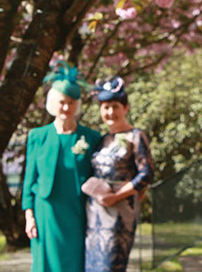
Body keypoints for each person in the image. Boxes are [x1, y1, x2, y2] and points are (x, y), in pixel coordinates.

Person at [22, 61, 102, 272]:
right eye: (62, 102)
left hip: (78, 211)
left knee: (75, 262)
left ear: (78, 105)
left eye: (71, 103)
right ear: (52, 103)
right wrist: (29, 216)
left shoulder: (91, 137)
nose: (66, 108)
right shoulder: (37, 136)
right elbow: (29, 179)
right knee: (45, 263)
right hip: (46, 210)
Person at [84, 76, 155, 272]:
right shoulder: (102, 139)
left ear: (126, 108)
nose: (110, 112)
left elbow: (147, 174)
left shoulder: (136, 136)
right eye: (105, 107)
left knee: (111, 263)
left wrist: (117, 195)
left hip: (120, 210)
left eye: (115, 106)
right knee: (93, 264)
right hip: (95, 211)